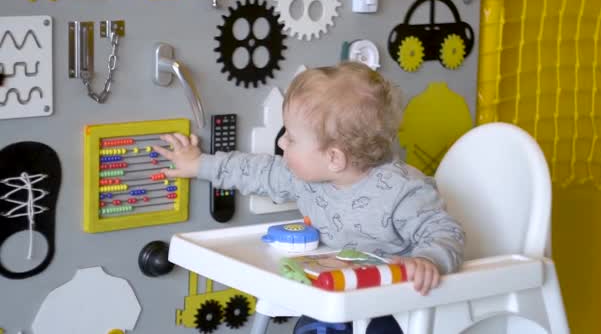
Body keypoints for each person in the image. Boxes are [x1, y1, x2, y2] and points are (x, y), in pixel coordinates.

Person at [154, 61, 464, 334]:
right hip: (339, 296)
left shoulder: (402, 190)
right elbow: (255, 171)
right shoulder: (305, 177)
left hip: (396, 306)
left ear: (333, 158)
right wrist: (198, 164)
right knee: (308, 326)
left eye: (291, 136)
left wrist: (427, 260)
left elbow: (443, 231)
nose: (281, 142)